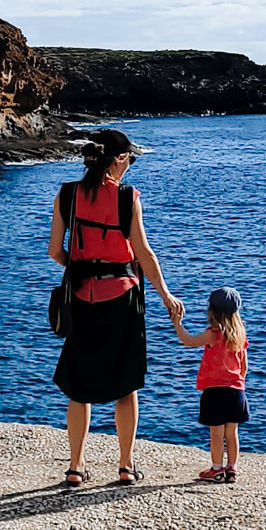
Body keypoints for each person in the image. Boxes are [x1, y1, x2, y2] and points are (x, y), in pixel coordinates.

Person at [48, 130, 182, 488]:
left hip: (80, 297)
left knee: (78, 386)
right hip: (121, 298)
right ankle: (125, 466)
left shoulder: (67, 194)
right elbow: (143, 253)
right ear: (119, 160)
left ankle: (75, 468)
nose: (130, 166)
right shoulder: (127, 197)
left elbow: (55, 251)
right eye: (130, 160)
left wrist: (79, 268)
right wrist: (166, 295)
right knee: (126, 384)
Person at [170, 286, 250, 483]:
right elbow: (244, 366)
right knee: (232, 433)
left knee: (216, 434)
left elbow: (188, 341)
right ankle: (232, 468)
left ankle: (216, 469)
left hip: (215, 392)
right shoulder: (240, 336)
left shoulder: (213, 333)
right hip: (237, 391)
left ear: (213, 311)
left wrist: (177, 324)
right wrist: (239, 383)